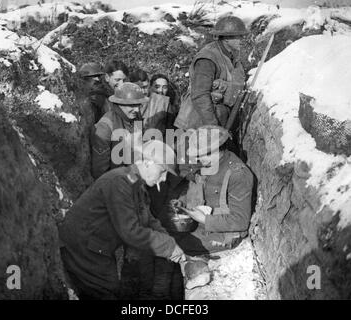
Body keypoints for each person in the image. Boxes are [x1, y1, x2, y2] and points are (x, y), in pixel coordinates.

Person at [58, 140, 186, 300]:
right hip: (82, 248)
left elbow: (148, 219)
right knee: (106, 293)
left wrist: (170, 243)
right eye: (163, 171)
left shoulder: (135, 183)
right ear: (148, 163)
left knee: (111, 290)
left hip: (97, 247)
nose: (164, 178)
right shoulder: (119, 182)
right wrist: (168, 246)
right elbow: (130, 232)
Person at [174, 125, 254, 255]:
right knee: (164, 229)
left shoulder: (237, 174)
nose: (199, 159)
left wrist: (205, 219)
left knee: (176, 245)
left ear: (216, 150)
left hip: (225, 233)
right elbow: (198, 185)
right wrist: (184, 203)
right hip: (205, 221)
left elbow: (241, 221)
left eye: (202, 155)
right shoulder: (211, 163)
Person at [174, 16, 247, 130]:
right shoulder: (208, 59)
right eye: (239, 36)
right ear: (227, 39)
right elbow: (200, 95)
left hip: (216, 118)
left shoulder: (230, 55)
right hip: (197, 124)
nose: (242, 40)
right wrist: (213, 127)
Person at [91, 82, 148, 179]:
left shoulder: (136, 118)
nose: (137, 110)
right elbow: (100, 171)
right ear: (119, 104)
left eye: (138, 105)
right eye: (132, 106)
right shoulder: (105, 126)